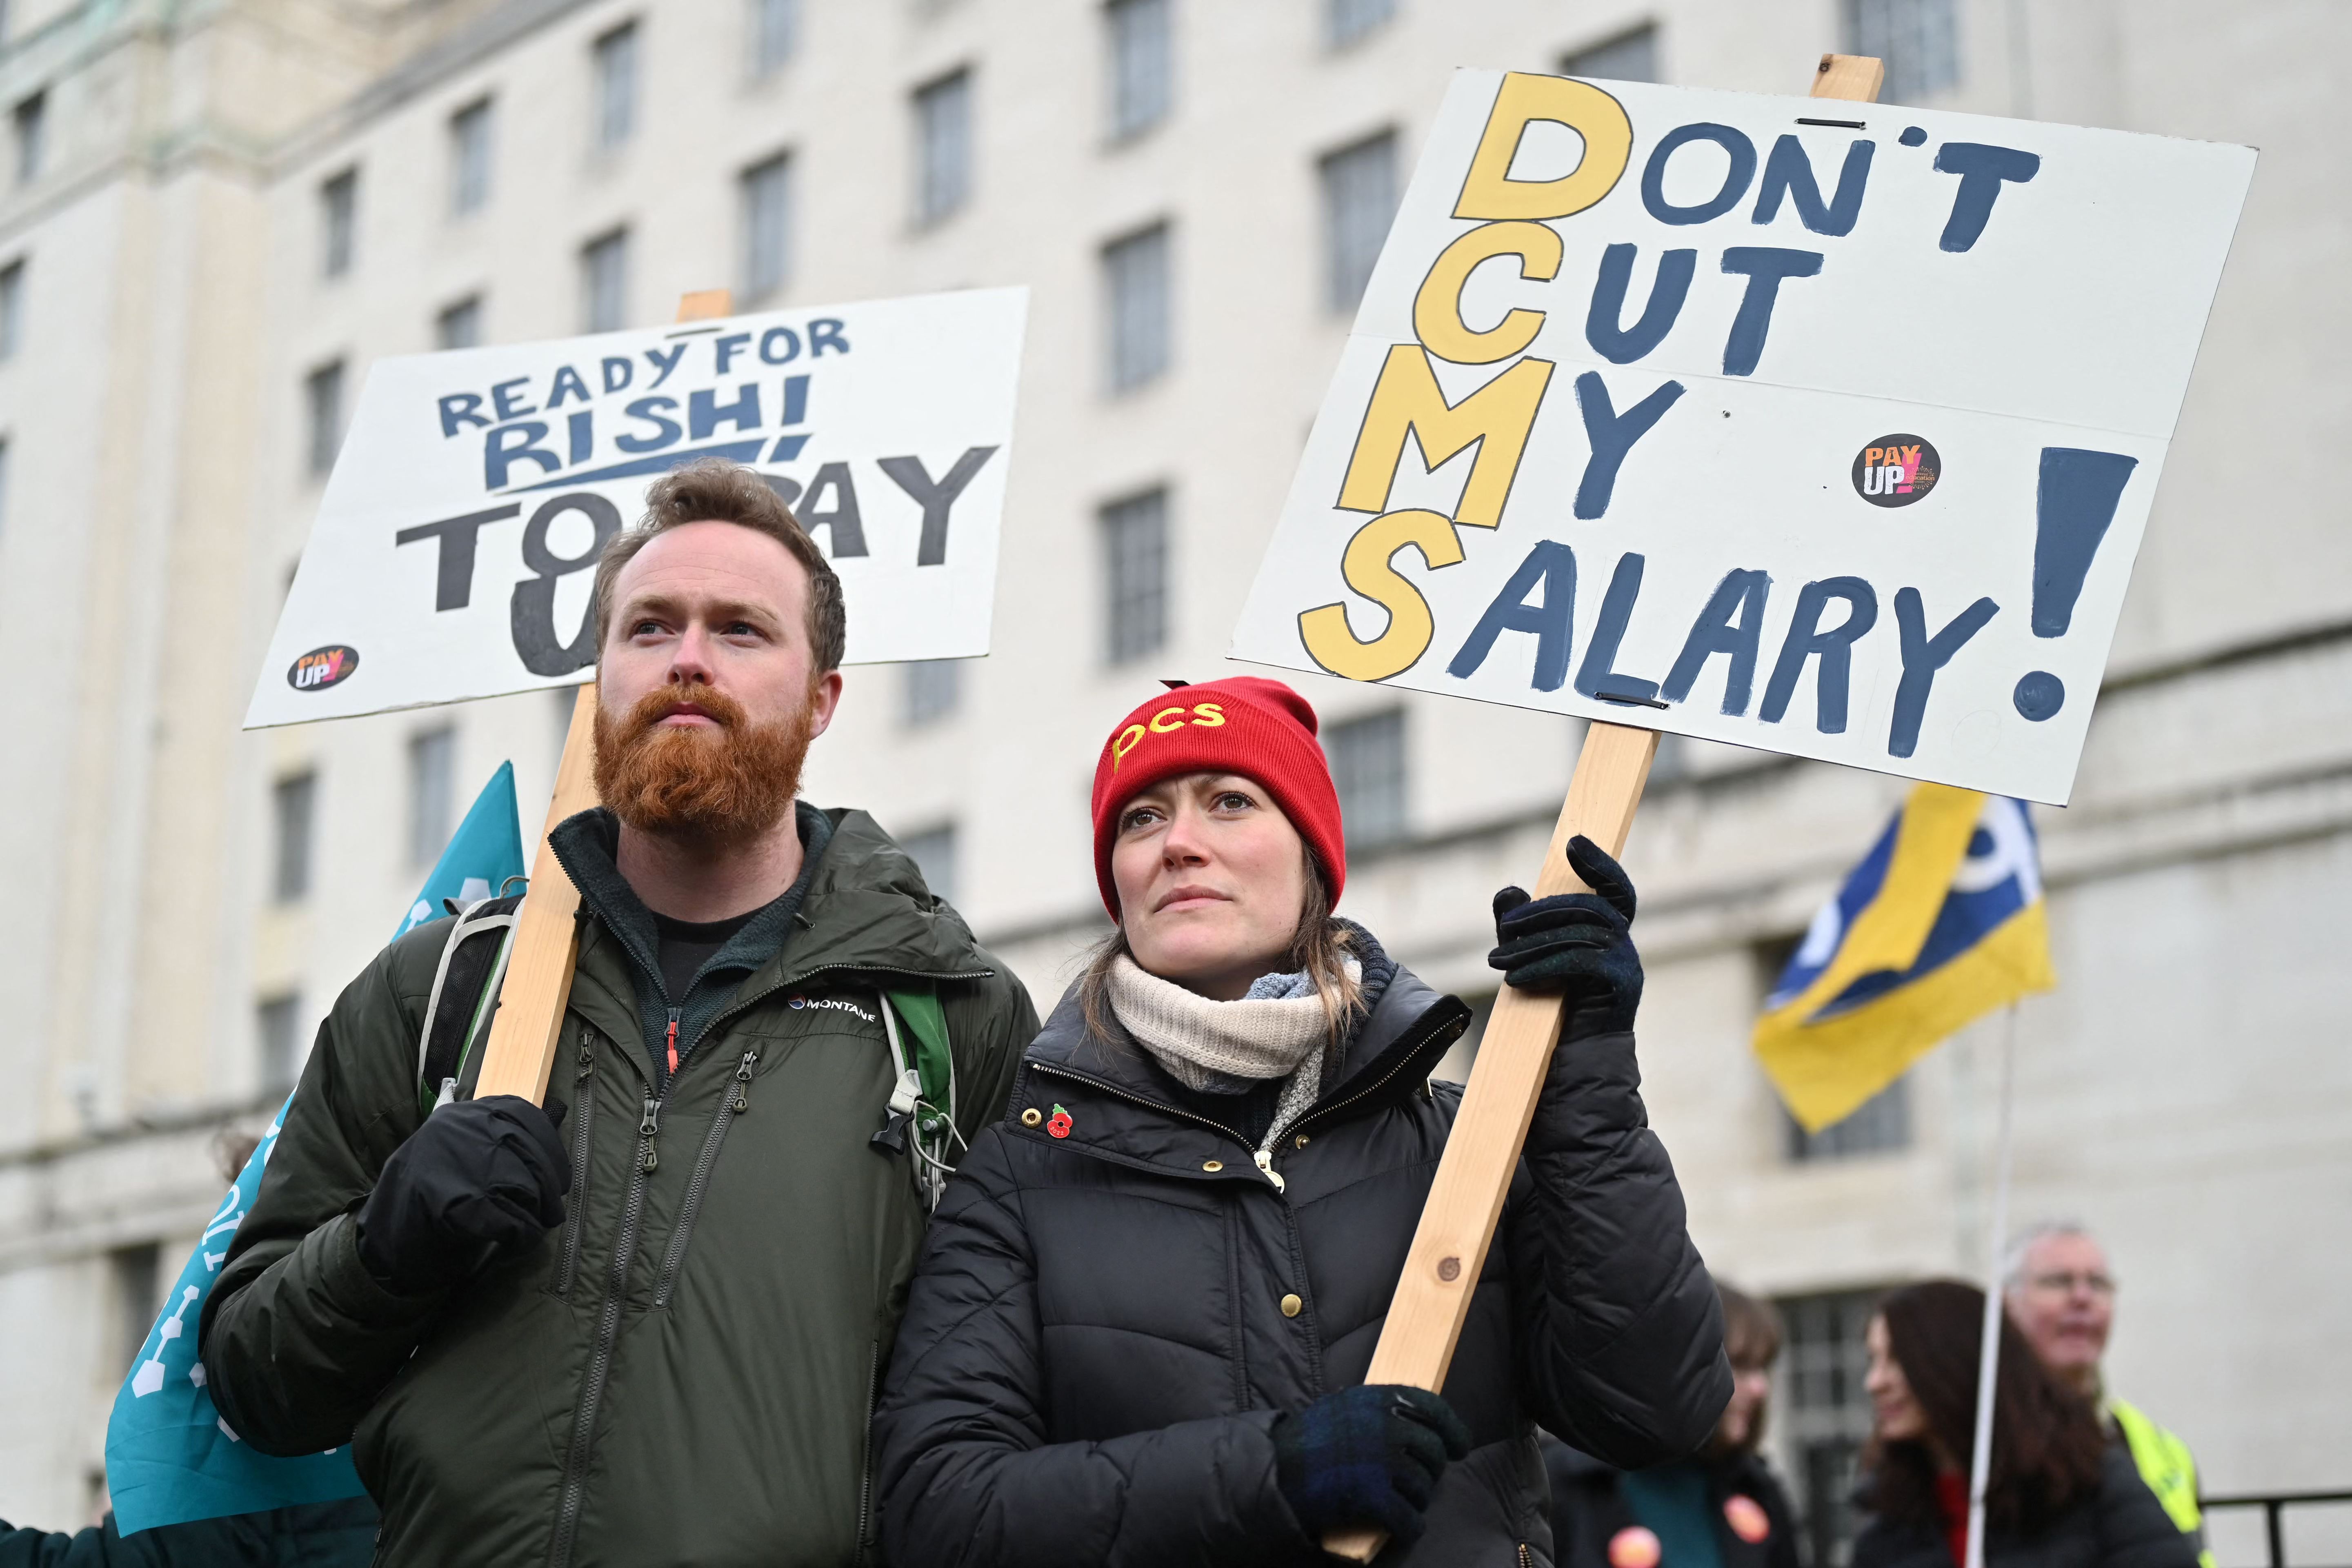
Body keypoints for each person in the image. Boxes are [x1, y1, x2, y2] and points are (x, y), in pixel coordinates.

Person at [201, 460, 1040, 1566]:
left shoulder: (948, 1017)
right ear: (600, 676)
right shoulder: (437, 993)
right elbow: (256, 1387)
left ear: (823, 698)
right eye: (650, 627)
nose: (686, 658)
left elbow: (1006, 1424)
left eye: (740, 630)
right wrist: (383, 1248)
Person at [872, 676, 1732, 1566]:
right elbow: (939, 1511)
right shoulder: (1021, 1173)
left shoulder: (1458, 1142)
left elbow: (1653, 1408)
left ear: (1312, 861)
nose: (1178, 844)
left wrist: (1586, 1089)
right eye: (1140, 818)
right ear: (1115, 882)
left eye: (1230, 803)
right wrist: (1269, 1474)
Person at [1852, 1280, 2194, 1568]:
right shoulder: (1887, 1524)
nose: (1875, 1382)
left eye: (1897, 1359)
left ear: (1956, 1362)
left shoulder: (2089, 1482)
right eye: (1874, 1360)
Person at [1548, 1282, 1805, 1568]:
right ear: (1675, 1365)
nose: (1760, 1388)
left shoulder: (1757, 1489)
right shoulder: (1568, 1483)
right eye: (1740, 1365)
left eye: (1763, 1367)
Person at [2003, 1223, 2213, 1568]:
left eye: (2098, 1284)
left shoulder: (2163, 1447)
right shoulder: (1978, 1441)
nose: (2082, 1297)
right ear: (2006, 1303)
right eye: (2059, 1281)